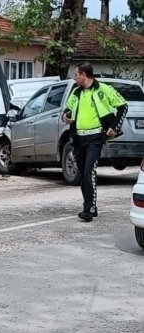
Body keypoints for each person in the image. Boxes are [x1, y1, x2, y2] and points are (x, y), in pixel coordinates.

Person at [62, 62, 127, 222]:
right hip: (78, 138)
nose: (74, 78)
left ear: (84, 75)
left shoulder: (104, 89)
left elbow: (123, 106)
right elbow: (66, 111)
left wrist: (114, 127)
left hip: (95, 138)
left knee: (88, 172)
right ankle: (90, 205)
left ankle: (88, 209)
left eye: (76, 75)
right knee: (82, 173)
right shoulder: (75, 93)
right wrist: (65, 117)